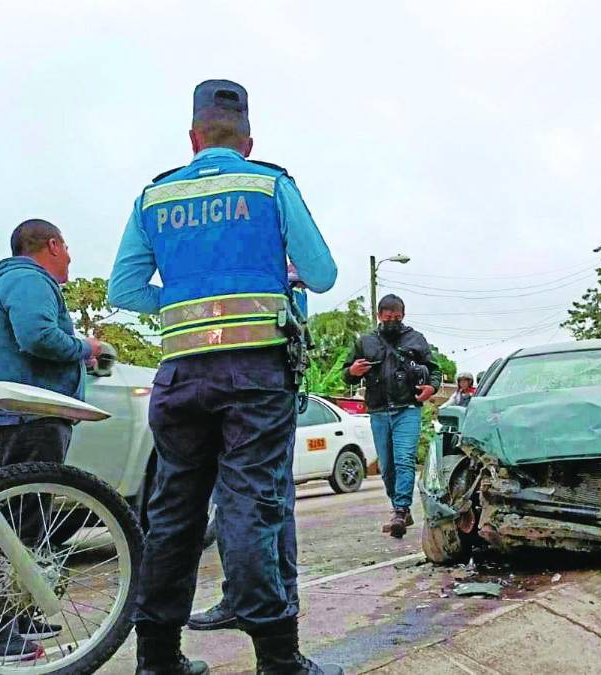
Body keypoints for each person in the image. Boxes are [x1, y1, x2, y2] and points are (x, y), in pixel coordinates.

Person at [108, 79, 339, 675]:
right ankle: (279, 660)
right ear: (248, 140)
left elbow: (125, 290)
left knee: (172, 514)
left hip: (181, 375)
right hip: (256, 373)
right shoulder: (268, 183)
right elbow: (322, 273)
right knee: (251, 504)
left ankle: (157, 659)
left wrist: (184, 298)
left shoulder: (153, 198)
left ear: (192, 138)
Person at [0, 219, 102, 661]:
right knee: (17, 526)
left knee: (16, 522)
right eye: (67, 248)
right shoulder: (29, 280)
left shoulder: (2, 284)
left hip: (10, 419)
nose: (70, 258)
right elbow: (39, 337)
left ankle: (17, 614)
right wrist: (87, 348)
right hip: (28, 417)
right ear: (53, 244)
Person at [188, 263, 307, 634]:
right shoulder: (272, 273)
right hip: (252, 388)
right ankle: (261, 597)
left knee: (257, 500)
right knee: (254, 500)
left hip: (258, 390)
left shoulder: (269, 273)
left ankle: (264, 599)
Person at [343, 294, 441, 538]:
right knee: (387, 467)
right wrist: (353, 371)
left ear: (403, 315)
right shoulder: (365, 342)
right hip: (378, 411)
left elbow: (435, 370)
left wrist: (432, 387)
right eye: (388, 318)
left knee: (404, 459)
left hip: (407, 408)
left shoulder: (415, 339)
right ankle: (398, 507)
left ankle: (400, 509)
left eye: (397, 317)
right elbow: (346, 374)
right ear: (379, 316)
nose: (392, 322)